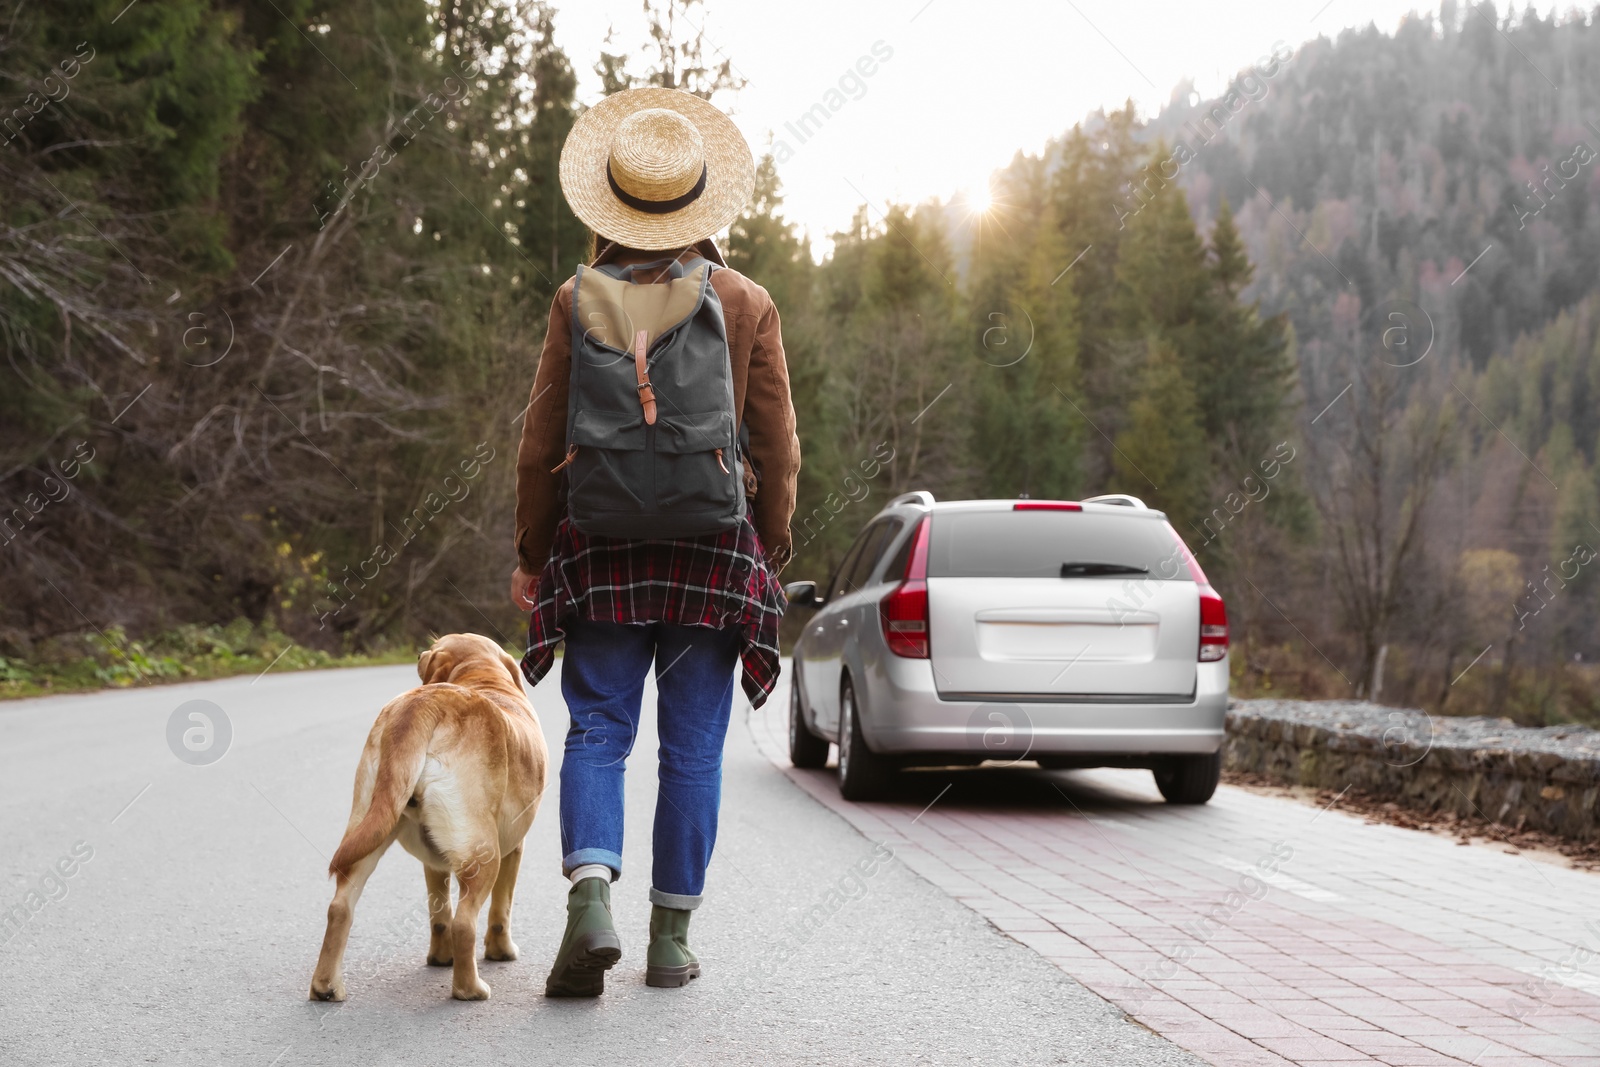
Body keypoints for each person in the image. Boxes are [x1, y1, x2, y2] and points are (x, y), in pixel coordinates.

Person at [509, 87, 799, 997]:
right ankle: (670, 940)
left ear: (612, 199)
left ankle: (589, 897)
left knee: (597, 729)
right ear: (701, 200)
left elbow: (539, 436)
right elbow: (780, 444)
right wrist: (773, 543)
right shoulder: (746, 300)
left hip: (601, 546)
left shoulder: (576, 296)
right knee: (693, 748)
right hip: (713, 551)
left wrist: (531, 548)